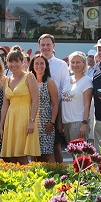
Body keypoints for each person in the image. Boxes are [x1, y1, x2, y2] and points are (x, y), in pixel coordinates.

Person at [0, 49, 40, 164]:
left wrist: (31, 121)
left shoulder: (29, 77)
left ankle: (29, 179)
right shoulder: (6, 80)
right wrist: (1, 127)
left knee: (21, 155)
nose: (13, 65)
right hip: (11, 119)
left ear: (22, 62)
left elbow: (35, 101)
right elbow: (5, 105)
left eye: (16, 61)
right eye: (10, 62)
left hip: (25, 117)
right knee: (12, 156)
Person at [38, 34, 69, 163]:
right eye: (43, 45)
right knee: (37, 147)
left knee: (55, 146)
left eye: (48, 45)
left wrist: (59, 117)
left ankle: (60, 172)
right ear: (39, 46)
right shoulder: (35, 63)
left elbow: (64, 90)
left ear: (53, 46)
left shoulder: (61, 65)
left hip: (54, 111)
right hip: (38, 112)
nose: (45, 48)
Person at [30, 53, 59, 163]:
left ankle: (52, 177)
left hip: (46, 123)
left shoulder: (49, 82)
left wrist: (52, 122)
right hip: (33, 121)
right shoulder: (29, 80)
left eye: (42, 63)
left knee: (47, 154)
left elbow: (55, 104)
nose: (39, 66)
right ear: (32, 65)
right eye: (36, 63)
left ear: (46, 66)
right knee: (33, 153)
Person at [61, 51, 93, 143]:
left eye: (78, 62)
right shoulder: (67, 80)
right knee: (72, 152)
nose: (75, 65)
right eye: (73, 62)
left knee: (80, 154)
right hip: (66, 122)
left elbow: (87, 104)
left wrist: (84, 123)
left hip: (78, 122)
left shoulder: (87, 81)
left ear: (84, 63)